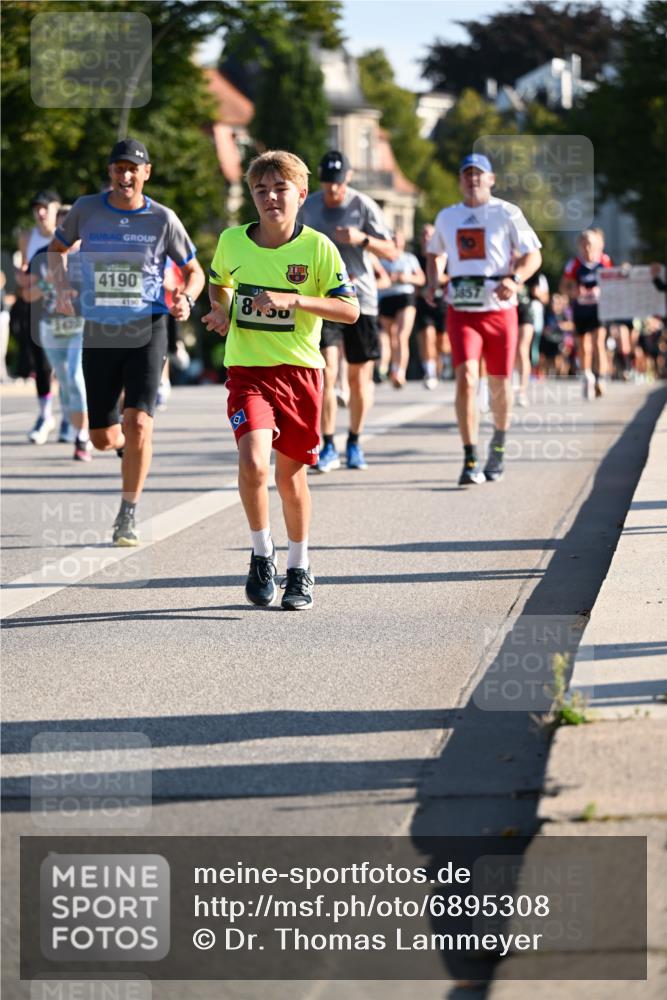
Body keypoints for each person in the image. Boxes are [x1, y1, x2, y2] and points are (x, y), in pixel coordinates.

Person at [202, 150, 359, 610]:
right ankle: (260, 555)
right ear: (252, 196)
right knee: (253, 461)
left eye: (280, 189)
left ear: (301, 194)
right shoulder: (233, 241)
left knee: (291, 479)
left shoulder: (318, 248)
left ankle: (300, 567)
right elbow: (219, 282)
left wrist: (297, 302)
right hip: (248, 371)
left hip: (301, 374)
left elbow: (349, 310)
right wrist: (221, 308)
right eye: (261, 190)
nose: (271, 198)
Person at [49, 138, 205, 544]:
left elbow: (195, 270)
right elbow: (56, 249)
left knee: (138, 422)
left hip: (148, 326)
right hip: (100, 329)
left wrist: (185, 298)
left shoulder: (162, 219)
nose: (126, 175)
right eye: (119, 168)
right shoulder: (86, 209)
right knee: (103, 438)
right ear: (111, 172)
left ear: (146, 173)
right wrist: (63, 288)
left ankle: (127, 512)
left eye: (134, 168)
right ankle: (122, 447)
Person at [426, 153, 542, 485]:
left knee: (499, 383)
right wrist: (434, 280)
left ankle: (500, 444)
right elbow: (435, 251)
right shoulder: (448, 216)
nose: (473, 179)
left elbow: (534, 254)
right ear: (461, 180)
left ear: (491, 179)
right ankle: (470, 454)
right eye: (467, 175)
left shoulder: (507, 213)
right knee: (465, 379)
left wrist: (515, 279)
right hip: (462, 311)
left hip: (499, 310)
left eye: (479, 175)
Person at [299, 150, 397, 472]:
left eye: (338, 184)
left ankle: (354, 441)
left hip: (361, 300)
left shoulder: (362, 205)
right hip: (322, 299)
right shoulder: (309, 206)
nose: (333, 190)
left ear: (349, 178)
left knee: (358, 378)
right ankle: (328, 445)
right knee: (326, 373)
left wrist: (362, 239)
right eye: (327, 183)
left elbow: (393, 251)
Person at [24, 205, 92, 461]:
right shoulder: (43, 255)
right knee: (63, 380)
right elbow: (27, 294)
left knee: (75, 376)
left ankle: (82, 436)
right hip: (50, 325)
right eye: (62, 228)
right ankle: (70, 422)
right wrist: (46, 284)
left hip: (79, 325)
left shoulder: (88, 255)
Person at [15, 190, 61, 443]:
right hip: (37, 308)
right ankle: (45, 416)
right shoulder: (27, 238)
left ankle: (72, 421)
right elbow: (25, 280)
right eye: (36, 209)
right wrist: (33, 281)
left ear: (56, 209)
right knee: (41, 367)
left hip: (66, 310)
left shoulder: (67, 237)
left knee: (68, 369)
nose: (41, 213)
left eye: (45, 207)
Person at [560, 228, 613, 399]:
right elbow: (563, 287)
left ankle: (601, 378)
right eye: (583, 245)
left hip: (599, 309)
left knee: (599, 343)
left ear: (597, 245)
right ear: (579, 247)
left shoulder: (604, 261)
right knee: (584, 346)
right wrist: (574, 290)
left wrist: (601, 290)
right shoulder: (574, 264)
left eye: (589, 245)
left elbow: (614, 282)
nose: (587, 249)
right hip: (581, 309)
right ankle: (587, 376)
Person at [378, 230, 425, 388]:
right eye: (393, 239)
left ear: (403, 242)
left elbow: (421, 279)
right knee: (388, 336)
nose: (396, 243)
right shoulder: (382, 259)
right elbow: (375, 278)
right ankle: (386, 367)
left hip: (405, 296)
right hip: (386, 298)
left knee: (401, 335)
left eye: (398, 240)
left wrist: (407, 278)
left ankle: (400, 371)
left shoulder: (409, 259)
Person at [415, 223, 450, 388]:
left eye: (430, 234)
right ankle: (429, 372)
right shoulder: (415, 257)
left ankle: (443, 364)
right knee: (427, 337)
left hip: (442, 302)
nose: (426, 237)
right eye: (424, 234)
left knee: (442, 342)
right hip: (423, 303)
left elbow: (451, 277)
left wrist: (436, 280)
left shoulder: (444, 255)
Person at [515, 271, 549, 405]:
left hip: (527, 312)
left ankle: (522, 391)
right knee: (510, 351)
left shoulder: (534, 273)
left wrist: (537, 293)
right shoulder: (504, 264)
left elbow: (545, 297)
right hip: (507, 310)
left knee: (523, 349)